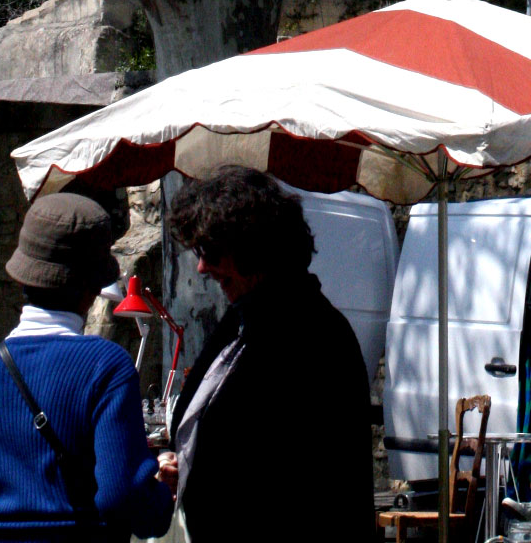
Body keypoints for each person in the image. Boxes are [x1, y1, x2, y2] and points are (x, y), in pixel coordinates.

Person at [159, 164, 374, 543]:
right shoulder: (244, 320)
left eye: (209, 250)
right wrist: (187, 465)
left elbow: (295, 469)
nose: (202, 266)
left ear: (252, 247)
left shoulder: (309, 335)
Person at [0, 190, 174, 540]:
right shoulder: (106, 365)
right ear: (92, 289)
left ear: (23, 277)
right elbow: (123, 496)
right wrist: (160, 492)